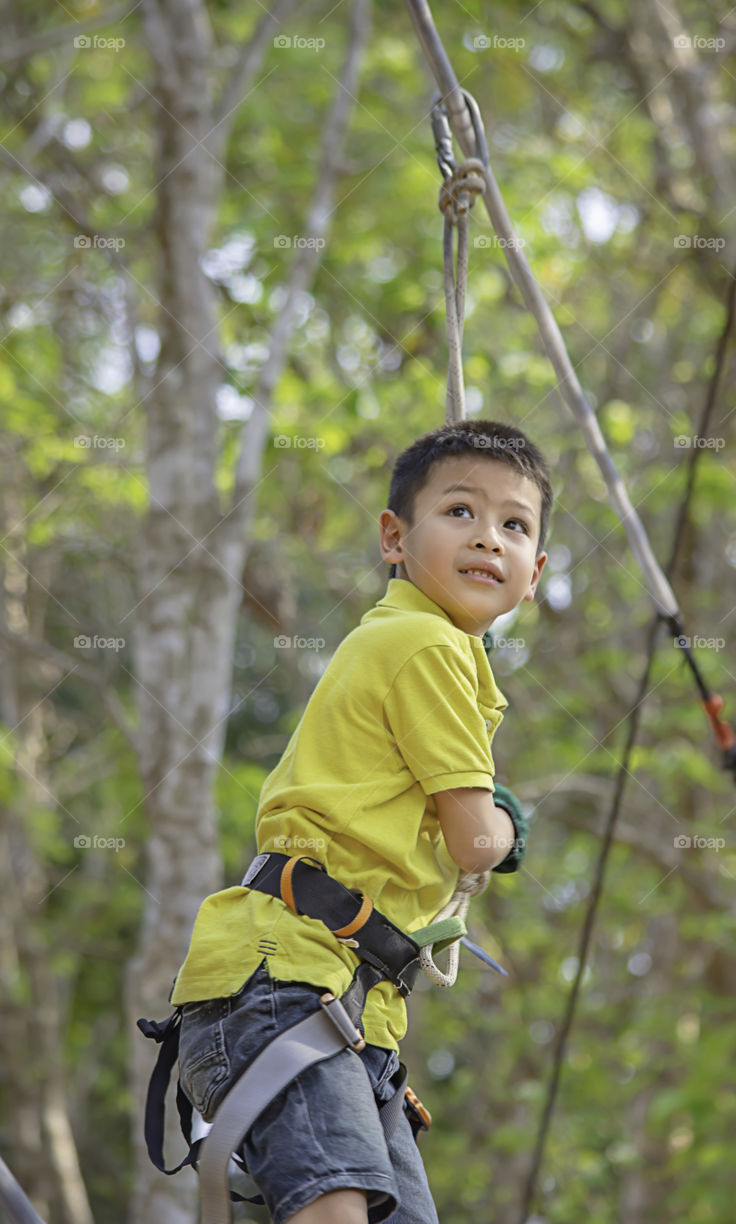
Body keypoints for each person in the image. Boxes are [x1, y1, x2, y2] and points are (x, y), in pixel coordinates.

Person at [169, 418, 552, 1224]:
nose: (487, 538)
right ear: (393, 536)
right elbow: (475, 840)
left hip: (348, 1007)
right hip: (285, 983)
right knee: (334, 1208)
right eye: (459, 512)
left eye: (513, 526)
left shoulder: (433, 651)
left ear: (534, 573)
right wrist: (510, 826)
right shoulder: (425, 643)